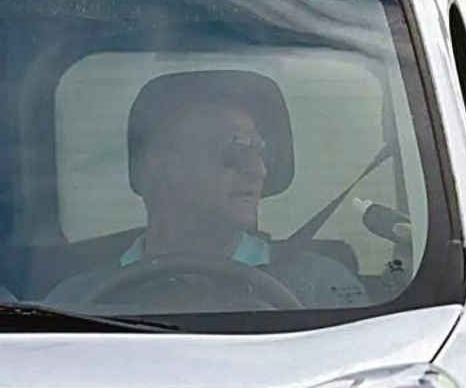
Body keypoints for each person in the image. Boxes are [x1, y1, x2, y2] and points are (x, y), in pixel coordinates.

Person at [48, 70, 368, 311]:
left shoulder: (323, 287)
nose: (259, 170)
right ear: (161, 164)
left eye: (262, 151)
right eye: (238, 147)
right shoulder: (76, 301)